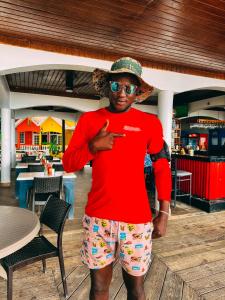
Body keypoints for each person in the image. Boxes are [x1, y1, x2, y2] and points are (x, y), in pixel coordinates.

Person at [63, 57, 171, 300]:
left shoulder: (149, 124)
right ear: (107, 86)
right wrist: (92, 147)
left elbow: (162, 167)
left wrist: (163, 213)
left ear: (137, 92)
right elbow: (68, 163)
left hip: (137, 221)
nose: (121, 93)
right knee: (99, 288)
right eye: (116, 86)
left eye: (129, 88)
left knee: (136, 289)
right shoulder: (90, 121)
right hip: (98, 218)